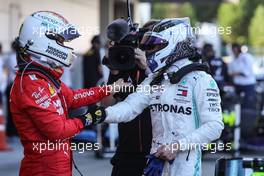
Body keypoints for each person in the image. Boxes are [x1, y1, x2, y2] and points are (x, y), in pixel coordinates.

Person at [91, 17, 224, 176]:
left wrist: (176, 146)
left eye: (154, 46)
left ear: (175, 42)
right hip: (154, 164)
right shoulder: (154, 80)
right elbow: (129, 108)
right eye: (147, 47)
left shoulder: (201, 80)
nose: (148, 52)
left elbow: (215, 126)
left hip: (184, 167)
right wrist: (96, 115)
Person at [10, 11, 126, 176]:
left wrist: (108, 89)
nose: (64, 46)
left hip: (58, 168)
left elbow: (71, 97)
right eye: (60, 41)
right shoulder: (31, 84)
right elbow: (58, 131)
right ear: (42, 39)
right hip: (43, 171)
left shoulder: (45, 77)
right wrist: (91, 117)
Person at [102, 20, 158, 176]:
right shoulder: (125, 65)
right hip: (126, 151)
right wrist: (113, 72)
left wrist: (147, 68)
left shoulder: (165, 71)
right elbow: (106, 105)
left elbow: (165, 93)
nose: (146, 46)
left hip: (157, 152)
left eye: (151, 44)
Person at [228, 43, 256, 109]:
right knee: (237, 104)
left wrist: (236, 73)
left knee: (248, 104)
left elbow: (246, 73)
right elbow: (230, 73)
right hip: (237, 84)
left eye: (235, 49)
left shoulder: (246, 57)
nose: (234, 51)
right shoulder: (233, 59)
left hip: (248, 84)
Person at [4, 41, 18, 137]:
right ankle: (11, 131)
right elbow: (16, 70)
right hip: (13, 85)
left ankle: (13, 130)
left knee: (14, 109)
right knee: (13, 109)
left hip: (13, 84)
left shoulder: (13, 56)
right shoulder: (12, 57)